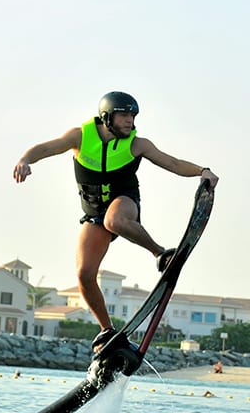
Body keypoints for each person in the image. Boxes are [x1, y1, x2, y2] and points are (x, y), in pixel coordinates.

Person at [13, 91, 219, 354]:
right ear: (106, 116)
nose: (130, 122)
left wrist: (203, 171)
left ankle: (161, 254)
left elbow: (173, 163)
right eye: (124, 116)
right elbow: (45, 148)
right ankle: (107, 330)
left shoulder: (138, 144)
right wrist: (25, 160)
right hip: (94, 212)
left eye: (132, 116)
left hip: (125, 201)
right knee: (84, 274)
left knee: (115, 219)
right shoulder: (80, 136)